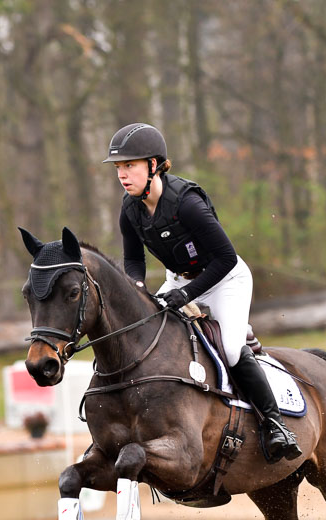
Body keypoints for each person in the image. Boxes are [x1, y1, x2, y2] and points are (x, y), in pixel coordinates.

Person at [103, 122, 302, 463]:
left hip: (226, 280)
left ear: (153, 165)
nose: (122, 174)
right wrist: (136, 288)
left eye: (130, 166)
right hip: (181, 280)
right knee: (146, 331)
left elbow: (225, 258)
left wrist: (187, 294)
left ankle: (276, 424)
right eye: (119, 167)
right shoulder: (130, 208)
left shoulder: (187, 204)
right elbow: (133, 259)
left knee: (233, 350)